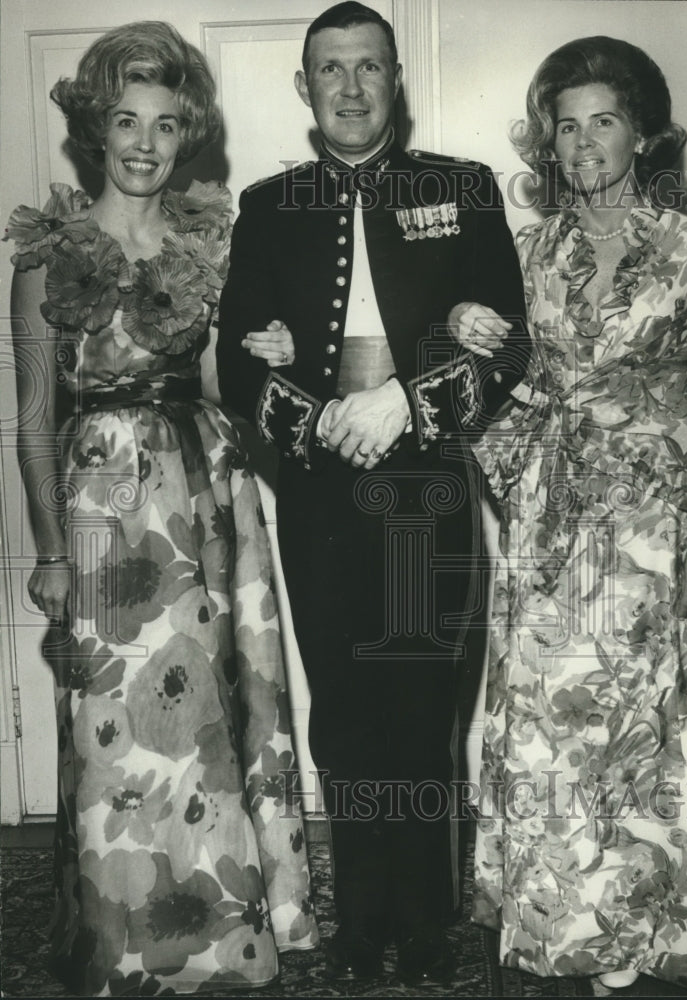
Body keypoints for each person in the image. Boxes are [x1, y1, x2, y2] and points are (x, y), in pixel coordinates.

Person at [217, 1, 530, 985]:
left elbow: (508, 341)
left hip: (427, 487)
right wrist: (313, 420)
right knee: (345, 714)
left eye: (368, 67)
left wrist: (407, 401)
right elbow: (234, 363)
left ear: (394, 78)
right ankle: (361, 920)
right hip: (318, 493)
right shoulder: (268, 206)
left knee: (423, 706)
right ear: (304, 86)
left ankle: (429, 919)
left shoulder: (462, 187)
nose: (350, 87)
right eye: (330, 69)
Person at [5, 21, 317, 996]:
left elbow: (220, 384)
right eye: (127, 120)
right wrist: (51, 553)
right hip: (104, 503)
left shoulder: (204, 245)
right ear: (96, 127)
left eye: (167, 124)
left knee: (211, 713)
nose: (145, 142)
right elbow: (33, 418)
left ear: (187, 136)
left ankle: (227, 932)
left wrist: (268, 353)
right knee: (117, 722)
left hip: (207, 498)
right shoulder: (47, 258)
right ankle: (124, 936)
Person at [457, 36, 687, 995]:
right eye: (567, 126)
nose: (584, 145)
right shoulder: (527, 250)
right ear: (549, 140)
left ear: (643, 136)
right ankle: (556, 930)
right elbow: (507, 392)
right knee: (549, 730)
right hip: (553, 523)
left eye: (604, 123)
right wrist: (469, 340)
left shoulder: (686, 245)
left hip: (657, 530)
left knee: (653, 731)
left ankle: (655, 933)